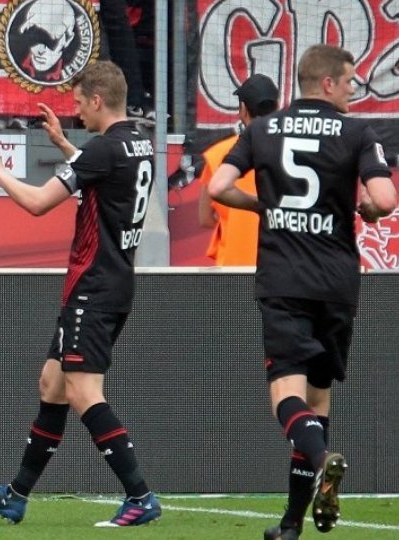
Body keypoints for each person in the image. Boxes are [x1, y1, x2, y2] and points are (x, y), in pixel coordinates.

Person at [209, 44, 396, 540]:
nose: (354, 90)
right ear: (328, 83)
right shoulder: (358, 133)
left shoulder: (262, 130)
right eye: (351, 81)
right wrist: (368, 210)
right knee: (318, 398)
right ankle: (292, 524)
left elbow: (217, 187)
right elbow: (384, 199)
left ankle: (322, 459)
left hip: (284, 279)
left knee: (286, 396)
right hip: (337, 282)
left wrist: (262, 207)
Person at [0, 60, 161, 527]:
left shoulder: (101, 149)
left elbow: (37, 203)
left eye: (79, 104)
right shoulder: (137, 144)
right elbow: (105, 175)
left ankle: (140, 495)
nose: (76, 112)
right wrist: (65, 147)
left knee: (82, 391)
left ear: (97, 100)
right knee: (52, 385)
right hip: (116, 281)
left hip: (93, 285)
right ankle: (16, 495)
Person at [198, 74, 280, 266]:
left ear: (243, 109)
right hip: (278, 264)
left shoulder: (218, 154)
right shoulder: (292, 150)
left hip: (232, 263)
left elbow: (205, 218)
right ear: (277, 107)